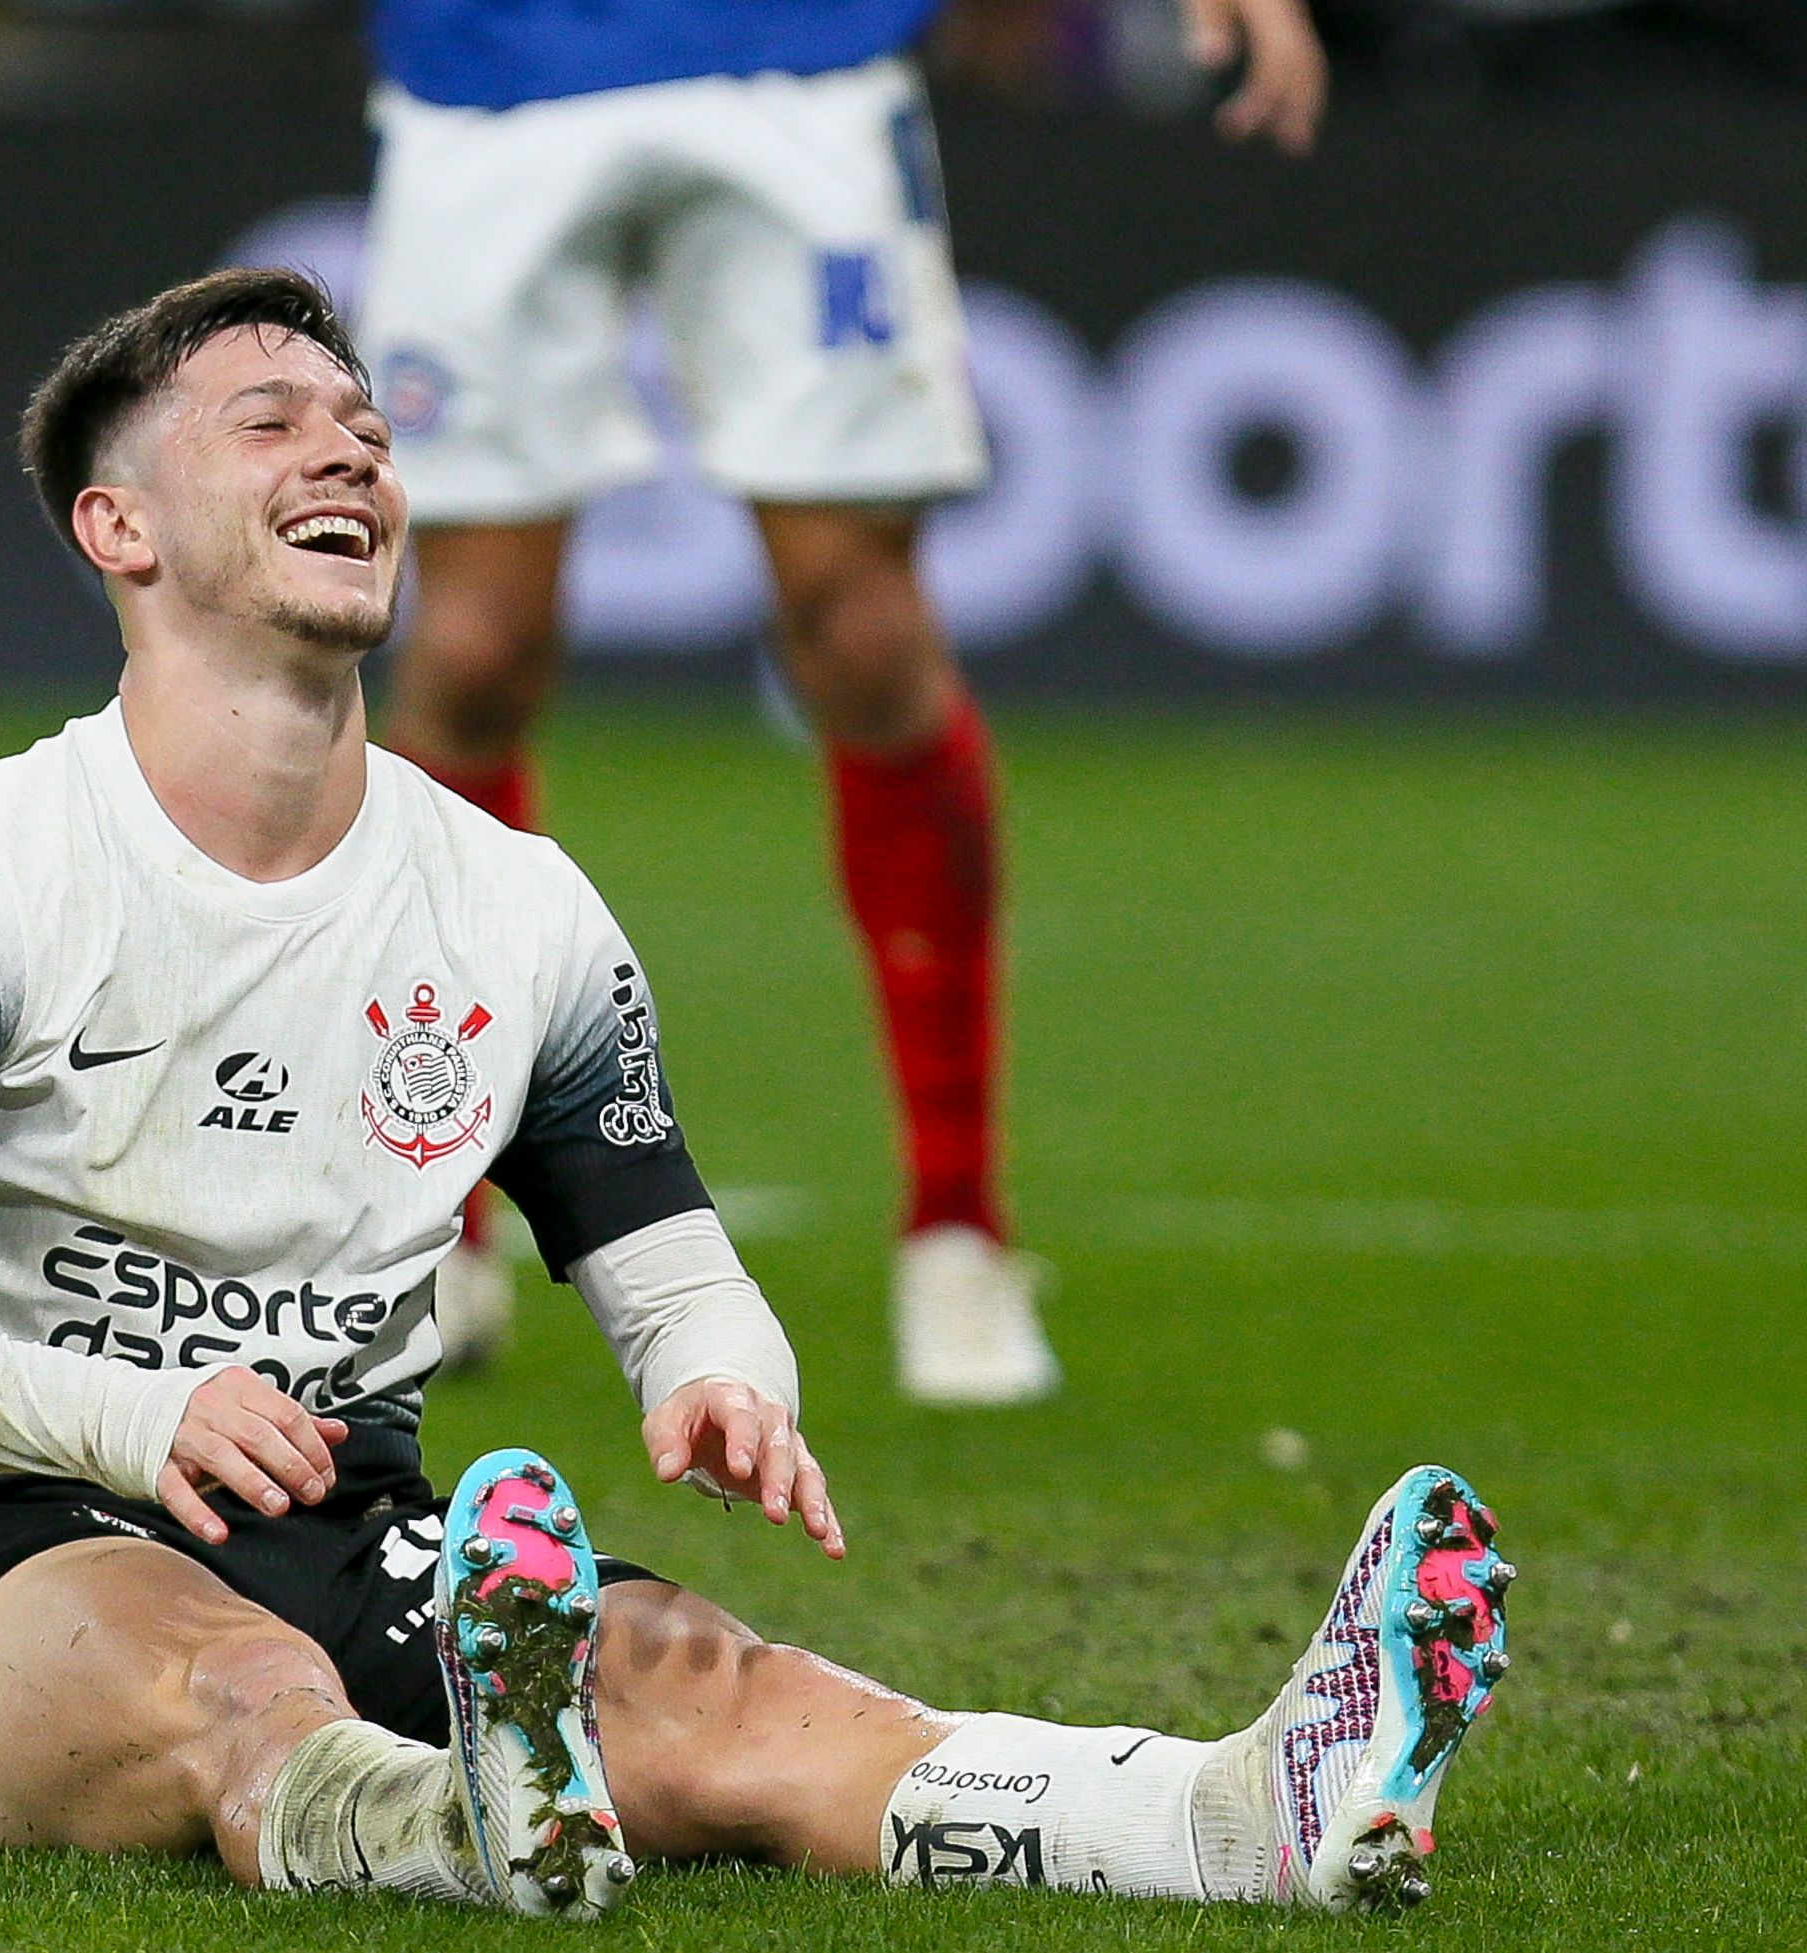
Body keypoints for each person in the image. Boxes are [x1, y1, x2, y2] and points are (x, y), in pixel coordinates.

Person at [0, 271, 1506, 1916]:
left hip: (348, 1510)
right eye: (268, 420)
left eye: (363, 424)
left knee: (715, 1687)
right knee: (240, 1686)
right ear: (118, 529)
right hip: (4, 1524)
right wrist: (140, 1420)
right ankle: (463, 1816)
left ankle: (1232, 1813)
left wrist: (726, 1378)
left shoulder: (516, 905)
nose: (348, 446)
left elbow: (670, 1268)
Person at [358, 0, 1329, 1401]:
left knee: (861, 633)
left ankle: (957, 1223)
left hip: (792, 61)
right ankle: (439, 1218)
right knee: (471, 653)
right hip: (484, 70)